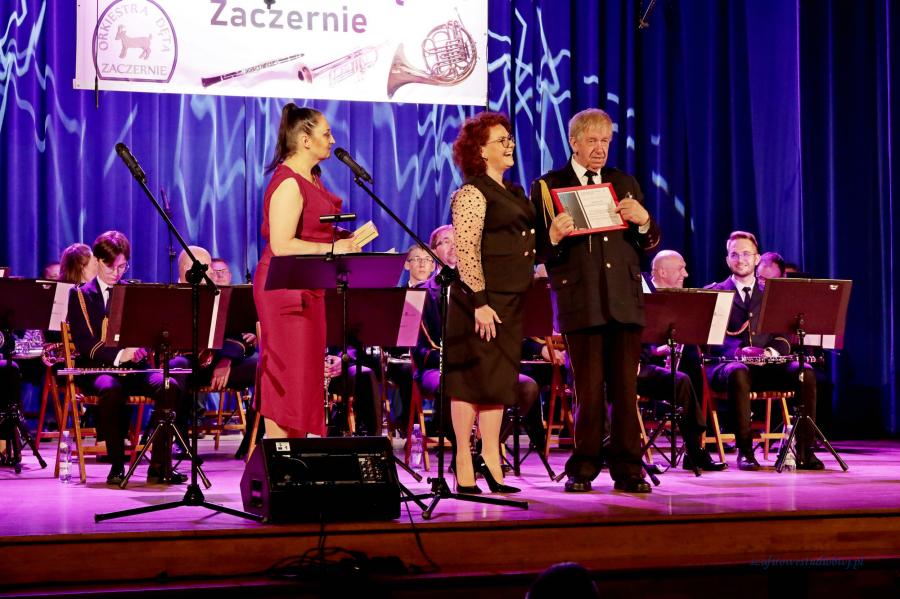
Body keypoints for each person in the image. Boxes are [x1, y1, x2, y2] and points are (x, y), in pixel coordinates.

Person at [530, 108, 660, 494]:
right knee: (587, 391)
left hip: (623, 301)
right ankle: (583, 466)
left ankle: (629, 468)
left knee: (624, 391)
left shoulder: (623, 182)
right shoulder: (549, 185)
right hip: (580, 301)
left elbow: (648, 242)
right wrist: (552, 237)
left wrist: (644, 220)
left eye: (605, 141)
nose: (600, 148)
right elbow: (536, 250)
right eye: (591, 141)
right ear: (574, 142)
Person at [253, 104, 361, 439]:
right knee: (289, 374)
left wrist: (343, 239)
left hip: (309, 284)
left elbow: (311, 231)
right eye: (326, 133)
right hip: (285, 288)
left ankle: (294, 456)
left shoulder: (311, 178)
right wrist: (333, 249)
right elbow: (282, 244)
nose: (332, 140)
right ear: (304, 139)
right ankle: (277, 454)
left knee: (304, 377)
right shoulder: (289, 183)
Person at [444, 111, 535, 494]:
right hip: (480, 301)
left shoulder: (513, 192)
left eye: (509, 139)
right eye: (501, 140)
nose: (509, 145)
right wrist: (480, 301)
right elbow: (466, 251)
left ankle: (492, 459)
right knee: (471, 382)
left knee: (498, 383)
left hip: (510, 300)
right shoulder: (472, 192)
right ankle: (464, 461)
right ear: (481, 150)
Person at [66, 231, 187, 485]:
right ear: (97, 260)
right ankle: (117, 464)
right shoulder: (80, 295)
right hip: (98, 370)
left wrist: (143, 347)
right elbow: (86, 344)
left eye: (122, 266)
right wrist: (122, 354)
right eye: (110, 266)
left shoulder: (132, 291)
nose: (116, 273)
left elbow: (149, 330)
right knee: (111, 389)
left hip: (133, 369)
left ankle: (159, 465)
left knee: (170, 386)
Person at [704, 231, 822, 470]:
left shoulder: (771, 294)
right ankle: (745, 452)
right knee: (738, 371)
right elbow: (708, 339)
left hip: (767, 366)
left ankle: (805, 452)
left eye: (746, 254)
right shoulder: (714, 292)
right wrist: (740, 353)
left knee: (805, 372)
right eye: (734, 254)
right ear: (727, 259)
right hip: (728, 368)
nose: (741, 259)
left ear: (757, 259)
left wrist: (770, 353)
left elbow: (784, 335)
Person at [638, 250, 726, 471]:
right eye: (680, 269)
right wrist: (657, 351)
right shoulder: (642, 293)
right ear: (662, 272)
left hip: (656, 364)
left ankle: (694, 451)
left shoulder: (678, 298)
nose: (686, 274)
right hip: (634, 365)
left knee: (686, 376)